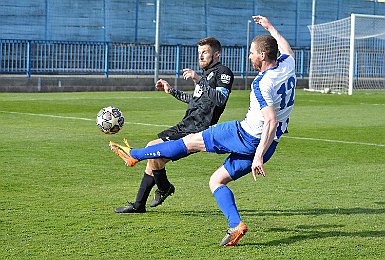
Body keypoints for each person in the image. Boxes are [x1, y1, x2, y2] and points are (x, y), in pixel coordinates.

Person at [109, 15, 296, 246]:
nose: (249, 57)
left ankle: (134, 155)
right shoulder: (289, 64)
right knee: (216, 181)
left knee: (191, 142)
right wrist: (270, 27)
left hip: (246, 136)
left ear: (263, 55)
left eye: (251, 53)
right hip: (269, 145)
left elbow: (270, 120)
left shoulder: (261, 83)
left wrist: (257, 156)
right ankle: (236, 225)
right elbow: (284, 46)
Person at [113, 37, 234, 214]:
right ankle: (140, 204)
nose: (200, 56)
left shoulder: (224, 72)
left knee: (152, 147)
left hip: (197, 130)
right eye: (199, 53)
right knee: (154, 160)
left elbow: (221, 99)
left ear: (217, 54)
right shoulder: (206, 74)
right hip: (185, 124)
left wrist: (199, 79)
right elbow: (196, 101)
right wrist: (172, 91)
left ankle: (164, 188)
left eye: (205, 52)